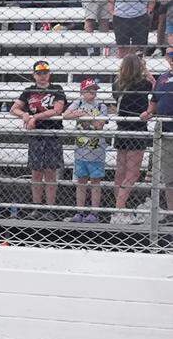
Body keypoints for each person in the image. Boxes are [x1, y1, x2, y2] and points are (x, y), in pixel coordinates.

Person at [11, 60, 67, 220]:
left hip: (52, 133)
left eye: (45, 73)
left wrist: (35, 117)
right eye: (39, 73)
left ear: (49, 74)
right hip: (35, 135)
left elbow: (57, 110)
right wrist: (24, 115)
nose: (42, 76)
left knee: (50, 172)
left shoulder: (57, 89)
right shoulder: (28, 91)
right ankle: (36, 208)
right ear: (34, 75)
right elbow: (13, 109)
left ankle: (50, 209)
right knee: (36, 172)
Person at [110, 51, 153, 223]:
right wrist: (145, 68)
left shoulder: (117, 83)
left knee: (120, 172)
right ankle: (119, 209)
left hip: (122, 129)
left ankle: (118, 208)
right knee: (132, 173)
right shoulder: (143, 83)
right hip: (137, 129)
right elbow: (156, 87)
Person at [63, 78, 110, 222]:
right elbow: (66, 115)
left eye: (94, 90)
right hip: (81, 149)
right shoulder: (79, 103)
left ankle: (94, 213)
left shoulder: (101, 106)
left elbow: (99, 124)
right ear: (82, 92)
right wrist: (82, 114)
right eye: (89, 90)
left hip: (96, 150)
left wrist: (85, 115)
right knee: (81, 181)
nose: (92, 93)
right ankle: (80, 212)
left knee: (96, 182)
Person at [149, 50, 173, 221]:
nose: (171, 59)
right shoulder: (162, 78)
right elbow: (154, 101)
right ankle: (172, 213)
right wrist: (148, 112)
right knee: (169, 176)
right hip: (165, 131)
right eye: (170, 56)